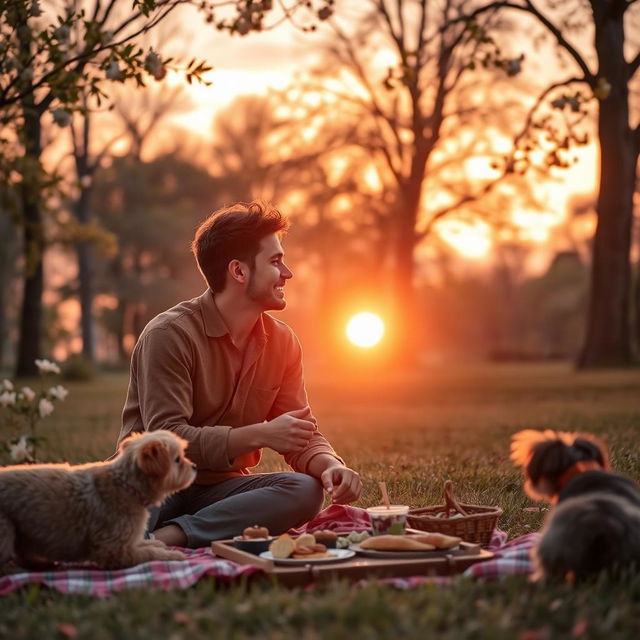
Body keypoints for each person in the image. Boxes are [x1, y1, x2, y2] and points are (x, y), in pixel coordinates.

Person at [114, 200, 362, 548]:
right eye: (276, 262)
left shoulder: (283, 342)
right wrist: (260, 434)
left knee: (305, 489)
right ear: (239, 271)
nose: (287, 273)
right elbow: (166, 439)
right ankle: (157, 535)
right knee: (119, 531)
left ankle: (173, 537)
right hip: (153, 481)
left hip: (220, 491)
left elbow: (300, 432)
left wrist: (329, 466)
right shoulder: (169, 335)